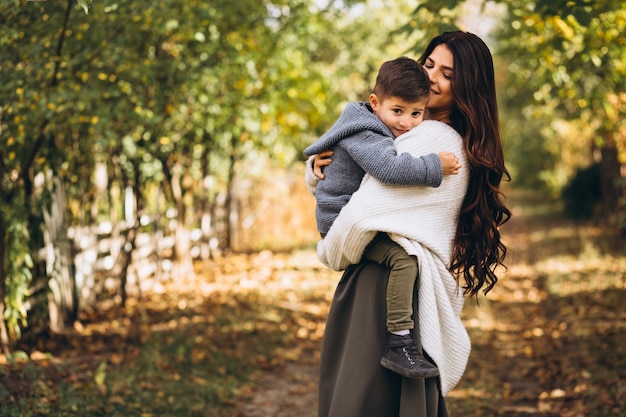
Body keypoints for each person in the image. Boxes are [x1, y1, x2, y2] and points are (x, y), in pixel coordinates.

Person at [305, 31, 511, 417]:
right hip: (397, 283)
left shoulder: (430, 138)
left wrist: (329, 247)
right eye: (429, 64)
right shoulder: (417, 131)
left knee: (364, 399)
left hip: (380, 287)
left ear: (468, 86)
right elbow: (352, 165)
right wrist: (318, 169)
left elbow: (362, 210)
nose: (432, 77)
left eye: (447, 73)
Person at [304, 56, 461, 380]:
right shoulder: (368, 132)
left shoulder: (374, 121)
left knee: (404, 259)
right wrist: (435, 166)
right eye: (398, 112)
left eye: (416, 113)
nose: (405, 123)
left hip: (344, 212)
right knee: (405, 261)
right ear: (375, 103)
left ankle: (400, 342)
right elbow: (390, 169)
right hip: (338, 221)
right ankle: (399, 343)